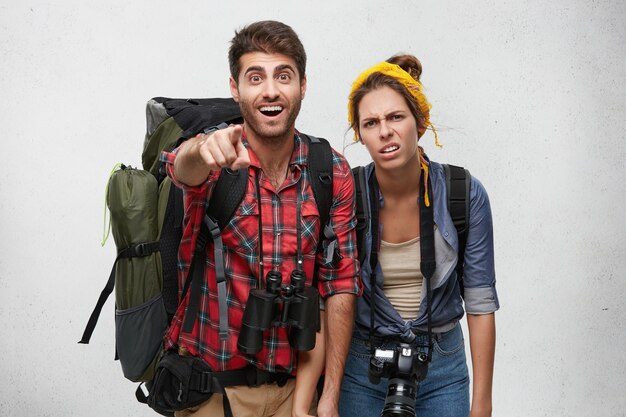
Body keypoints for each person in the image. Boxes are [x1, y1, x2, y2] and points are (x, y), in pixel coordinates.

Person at [161, 20, 361, 417]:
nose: (270, 90)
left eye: (283, 76)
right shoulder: (217, 154)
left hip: (295, 393)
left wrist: (329, 397)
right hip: (211, 395)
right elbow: (181, 169)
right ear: (236, 88)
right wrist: (201, 151)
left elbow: (339, 284)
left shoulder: (330, 170)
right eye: (256, 77)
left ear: (303, 85)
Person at [339, 54, 499, 417]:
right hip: (364, 361)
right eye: (371, 122)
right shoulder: (347, 194)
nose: (385, 131)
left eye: (396, 117)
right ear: (360, 135)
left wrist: (482, 405)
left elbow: (480, 301)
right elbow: (330, 297)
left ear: (420, 122)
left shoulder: (463, 192)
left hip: (442, 365)